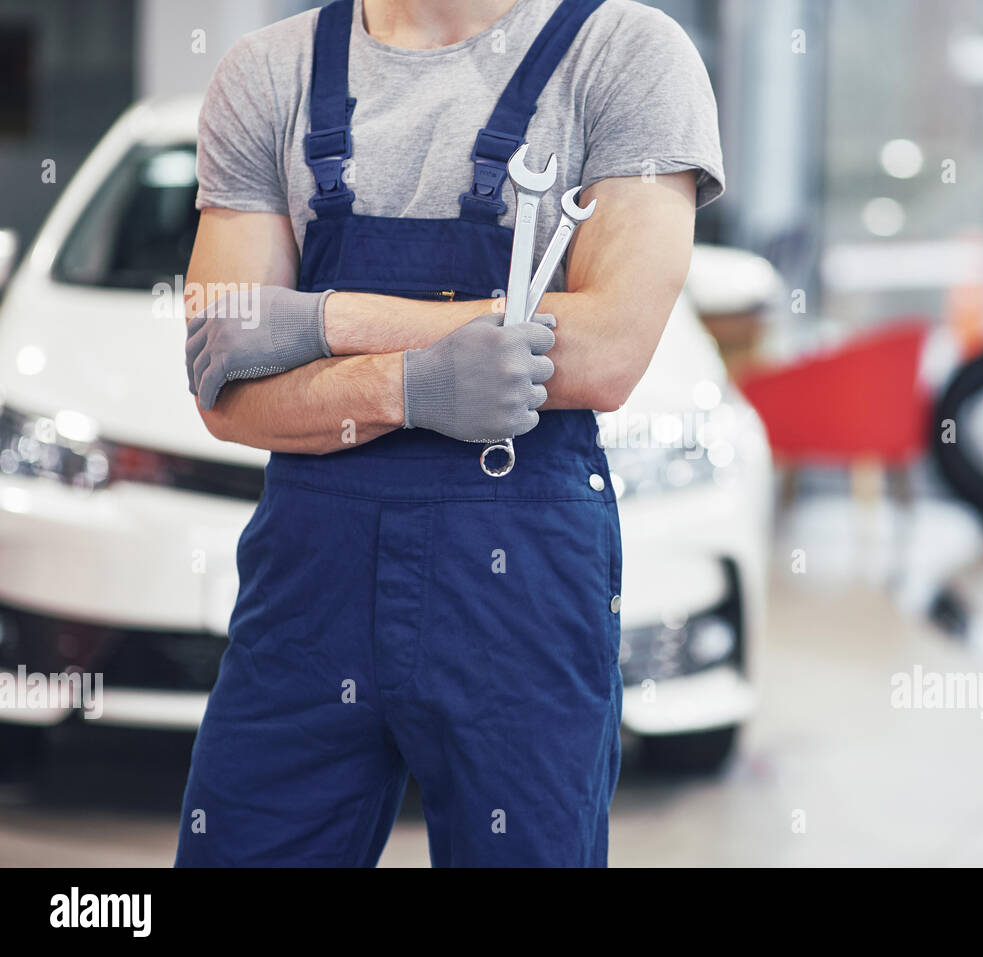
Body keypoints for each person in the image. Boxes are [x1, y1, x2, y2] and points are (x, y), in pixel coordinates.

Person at [175, 0, 723, 867]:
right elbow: (226, 386)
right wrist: (409, 385)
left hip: (517, 588)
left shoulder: (624, 56)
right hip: (308, 589)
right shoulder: (268, 72)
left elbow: (606, 351)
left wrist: (322, 320)